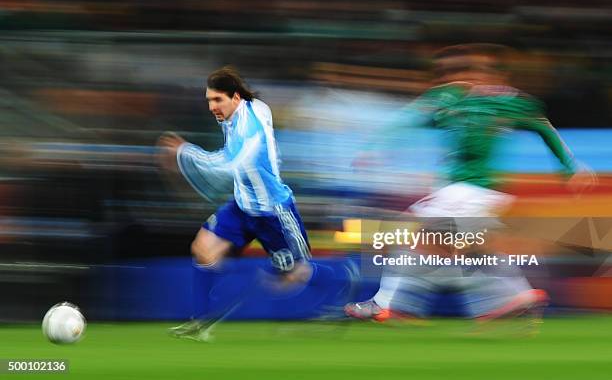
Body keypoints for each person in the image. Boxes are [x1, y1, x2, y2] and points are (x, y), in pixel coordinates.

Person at [345, 44, 595, 324]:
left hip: (472, 189)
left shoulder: (510, 102)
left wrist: (570, 166)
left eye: (465, 71)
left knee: (411, 237)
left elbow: (543, 128)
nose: (455, 78)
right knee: (467, 249)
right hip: (464, 191)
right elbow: (410, 120)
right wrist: (378, 148)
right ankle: (517, 295)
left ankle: (387, 304)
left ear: (489, 74)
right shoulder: (446, 97)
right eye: (446, 73)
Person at [158, 66, 350, 339]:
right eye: (209, 100)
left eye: (217, 100)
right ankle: (200, 323)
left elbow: (228, 164)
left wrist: (185, 152)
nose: (212, 107)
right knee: (203, 249)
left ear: (235, 98)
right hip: (242, 205)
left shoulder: (250, 128)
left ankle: (341, 282)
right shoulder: (244, 111)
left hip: (273, 212)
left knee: (295, 274)